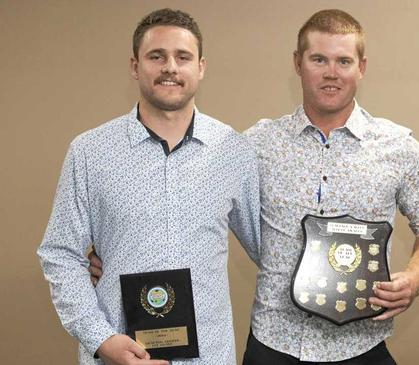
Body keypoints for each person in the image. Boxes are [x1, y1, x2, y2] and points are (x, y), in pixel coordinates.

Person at [37, 8, 260, 365]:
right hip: (117, 354)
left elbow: (271, 248)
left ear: (200, 67)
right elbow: (60, 253)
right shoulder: (89, 152)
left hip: (208, 357)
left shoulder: (233, 150)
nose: (170, 66)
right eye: (157, 56)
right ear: (135, 66)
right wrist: (102, 339)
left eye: (182, 57)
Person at [241, 9, 419, 364]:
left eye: (344, 61)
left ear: (362, 67)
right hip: (273, 342)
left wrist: (414, 279)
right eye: (318, 59)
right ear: (297, 63)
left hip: (360, 346)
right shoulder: (256, 145)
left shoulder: (398, 147)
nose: (331, 73)